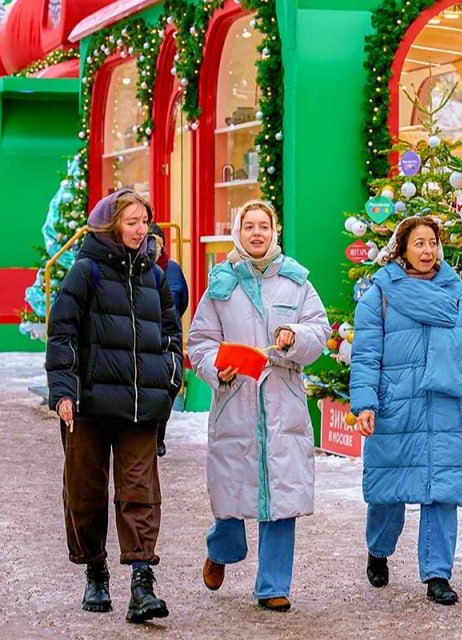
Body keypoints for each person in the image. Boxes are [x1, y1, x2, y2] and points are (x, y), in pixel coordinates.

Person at [44, 189, 182, 623]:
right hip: (88, 404)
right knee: (85, 491)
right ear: (111, 226)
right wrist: (63, 391)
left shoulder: (155, 275)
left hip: (141, 406)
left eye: (144, 222)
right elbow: (62, 332)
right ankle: (95, 569)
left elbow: (171, 333)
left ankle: (142, 583)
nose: (141, 230)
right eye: (131, 222)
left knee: (140, 491)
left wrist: (170, 377)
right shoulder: (85, 270)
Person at [187, 200, 329, 611]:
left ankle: (273, 586)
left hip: (283, 403)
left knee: (281, 496)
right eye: (248, 226)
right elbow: (200, 343)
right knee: (232, 491)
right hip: (237, 402)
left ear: (274, 231)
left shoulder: (297, 282)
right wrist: (218, 369)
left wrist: (294, 336)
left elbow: (319, 331)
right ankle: (221, 549)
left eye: (263, 226)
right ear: (238, 232)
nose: (256, 233)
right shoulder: (221, 284)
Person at [349, 215, 462, 606]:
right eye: (419, 243)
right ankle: (378, 550)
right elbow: (365, 356)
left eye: (432, 243)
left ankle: (438, 575)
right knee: (388, 492)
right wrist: (365, 404)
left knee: (442, 492)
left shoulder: (456, 292)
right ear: (402, 249)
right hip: (396, 406)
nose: (427, 251)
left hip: (444, 405)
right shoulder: (380, 294)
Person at [147, 222, 190, 456]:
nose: (153, 248)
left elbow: (182, 300)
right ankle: (149, 437)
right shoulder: (135, 268)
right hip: (145, 337)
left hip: (167, 337)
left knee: (168, 387)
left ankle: (159, 434)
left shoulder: (172, 269)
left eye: (157, 243)